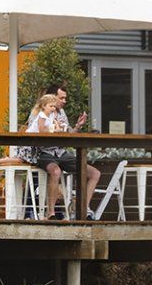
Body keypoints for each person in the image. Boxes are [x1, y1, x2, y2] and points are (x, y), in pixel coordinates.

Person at [23, 87, 100, 218]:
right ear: (52, 98)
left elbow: (68, 134)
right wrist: (54, 131)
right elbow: (36, 134)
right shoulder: (39, 113)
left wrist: (77, 126)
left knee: (94, 173)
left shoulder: (61, 112)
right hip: (43, 152)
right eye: (61, 98)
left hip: (61, 152)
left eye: (65, 98)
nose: (64, 101)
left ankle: (82, 210)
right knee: (55, 171)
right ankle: (51, 213)